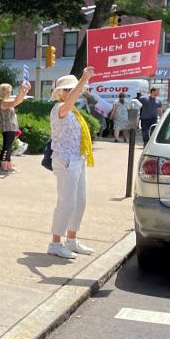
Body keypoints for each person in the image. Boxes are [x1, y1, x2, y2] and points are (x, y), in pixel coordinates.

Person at [47, 68, 97, 259]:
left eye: (71, 89)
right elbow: (68, 103)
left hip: (78, 159)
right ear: (59, 93)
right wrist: (83, 79)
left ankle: (71, 239)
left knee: (80, 201)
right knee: (66, 202)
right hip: (65, 161)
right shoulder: (59, 108)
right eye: (66, 89)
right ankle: (55, 243)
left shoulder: (74, 111)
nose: (69, 92)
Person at [0, 81, 31, 172]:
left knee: (9, 147)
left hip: (10, 128)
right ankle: (4, 167)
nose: (11, 92)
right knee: (7, 147)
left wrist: (25, 90)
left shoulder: (6, 101)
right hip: (7, 128)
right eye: (10, 90)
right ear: (5, 91)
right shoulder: (4, 102)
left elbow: (19, 100)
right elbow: (16, 101)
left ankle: (8, 166)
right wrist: (22, 89)